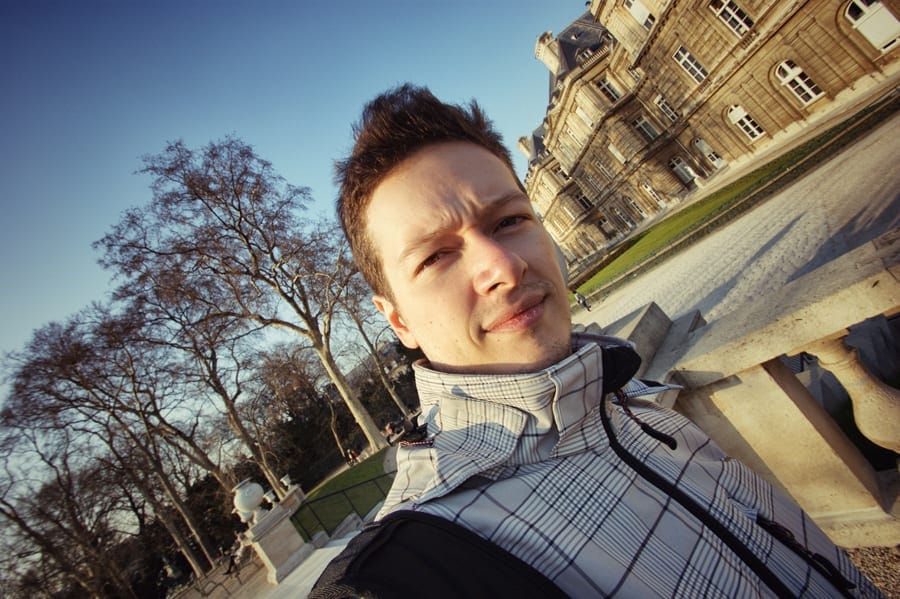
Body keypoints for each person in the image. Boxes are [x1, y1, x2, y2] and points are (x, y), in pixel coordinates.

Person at [310, 85, 881, 597]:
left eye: (509, 221)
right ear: (398, 320)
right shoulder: (419, 566)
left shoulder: (636, 404)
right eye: (437, 256)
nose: (503, 266)